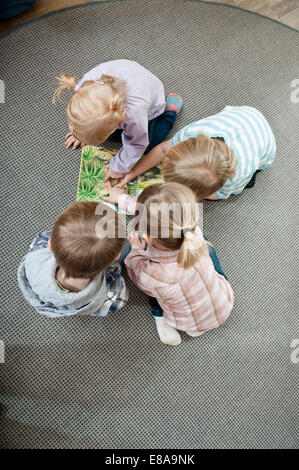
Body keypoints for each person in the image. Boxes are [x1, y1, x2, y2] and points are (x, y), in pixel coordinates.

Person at [103, 182, 234, 345]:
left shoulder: (154, 274)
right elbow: (159, 216)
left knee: (155, 291)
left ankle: (161, 319)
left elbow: (133, 269)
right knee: (206, 249)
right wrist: (122, 199)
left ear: (148, 237)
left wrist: (137, 249)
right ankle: (195, 329)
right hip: (224, 303)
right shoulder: (192, 233)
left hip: (187, 321)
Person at [53, 59, 183, 182]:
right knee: (100, 132)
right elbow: (84, 113)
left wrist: (119, 167)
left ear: (116, 122)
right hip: (128, 72)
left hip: (151, 100)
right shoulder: (85, 88)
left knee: (151, 142)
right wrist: (80, 132)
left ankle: (170, 111)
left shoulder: (134, 113)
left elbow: (137, 144)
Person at [119, 106, 276, 199]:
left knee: (249, 183)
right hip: (245, 114)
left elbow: (219, 195)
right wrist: (133, 171)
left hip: (264, 143)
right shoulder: (192, 132)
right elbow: (162, 149)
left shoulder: (237, 176)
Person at [18, 201, 128, 317]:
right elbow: (119, 300)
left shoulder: (36, 255)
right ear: (115, 258)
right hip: (91, 301)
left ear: (50, 245)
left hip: (41, 288)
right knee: (128, 247)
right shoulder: (113, 290)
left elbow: (41, 240)